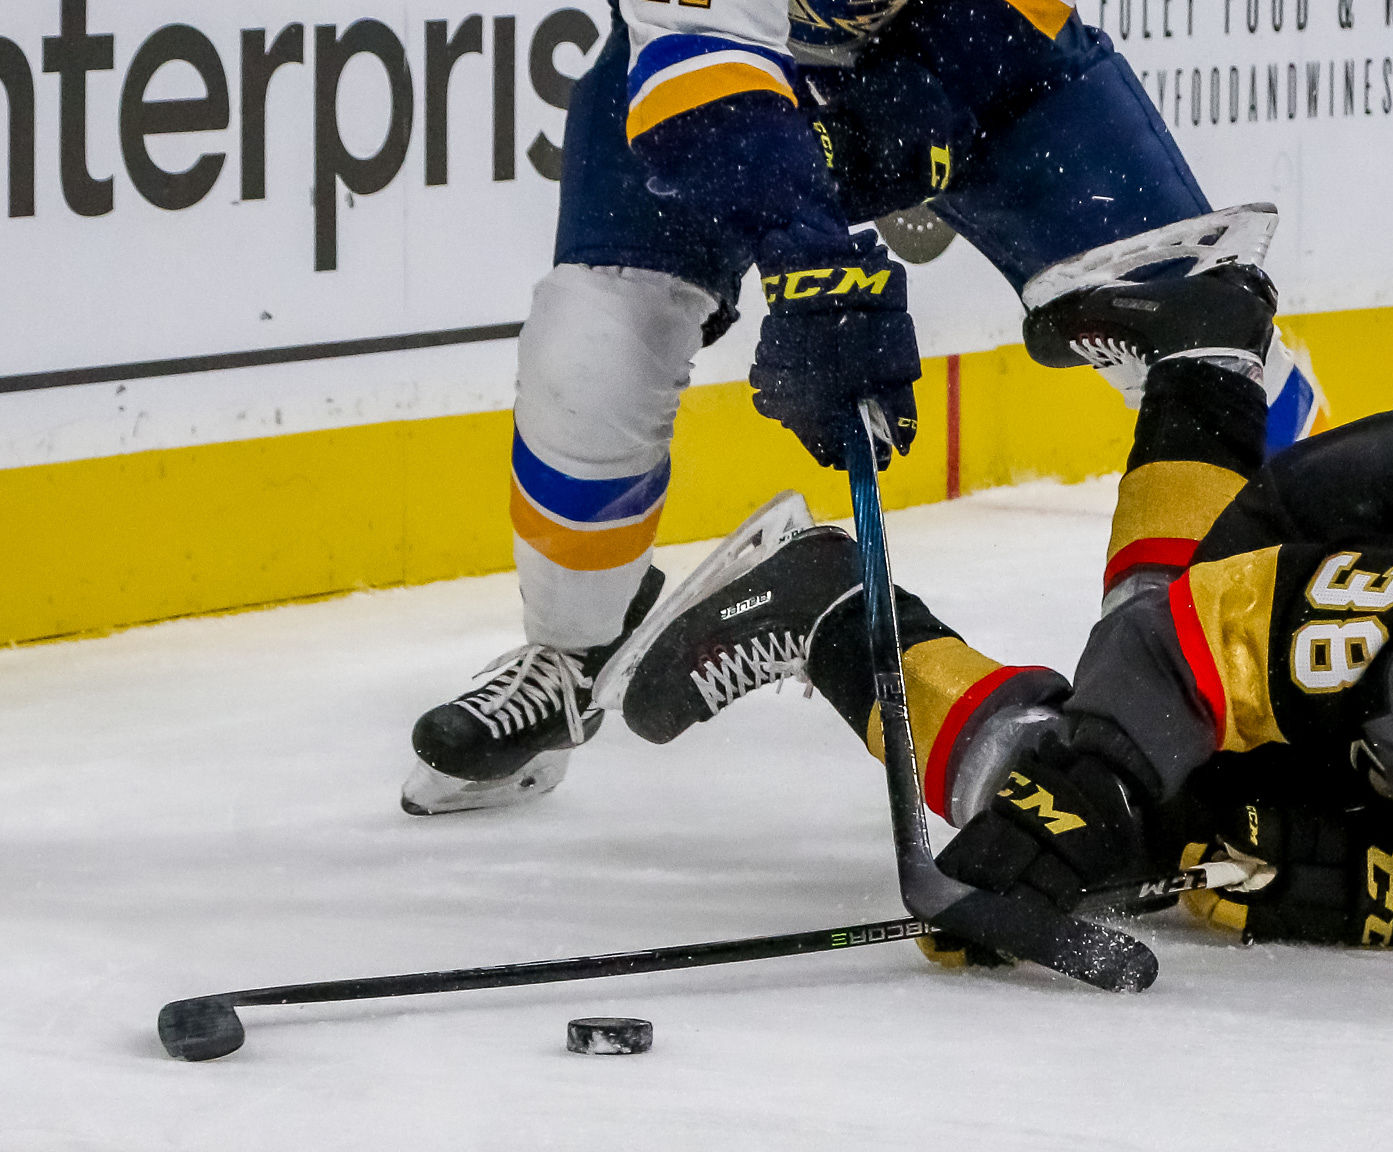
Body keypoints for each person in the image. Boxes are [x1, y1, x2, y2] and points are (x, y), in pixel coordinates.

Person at [399, 0, 1328, 816]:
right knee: (592, 348)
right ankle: (572, 651)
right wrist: (815, 268)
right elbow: (700, 54)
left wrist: (933, 92)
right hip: (725, 68)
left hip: (987, 47)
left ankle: (1309, 615)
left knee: (1207, 321)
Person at [610, 345, 1393, 956]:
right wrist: (1085, 792)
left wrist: (1365, 890)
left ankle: (1200, 345)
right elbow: (1170, 647)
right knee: (1115, 759)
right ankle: (829, 605)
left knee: (1252, 802)